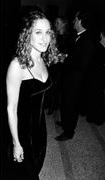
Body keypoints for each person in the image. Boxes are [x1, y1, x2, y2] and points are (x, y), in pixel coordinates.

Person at [5, 10, 59, 179]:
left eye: (48, 32)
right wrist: (16, 144)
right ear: (27, 34)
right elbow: (11, 109)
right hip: (21, 131)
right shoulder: (17, 65)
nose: (45, 38)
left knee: (37, 165)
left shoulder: (44, 58)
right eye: (38, 32)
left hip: (40, 127)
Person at [55, 10, 97, 141]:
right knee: (66, 102)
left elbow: (83, 64)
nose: (73, 21)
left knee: (71, 104)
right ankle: (66, 122)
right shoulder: (76, 36)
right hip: (69, 76)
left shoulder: (88, 40)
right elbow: (72, 53)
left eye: (75, 19)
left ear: (81, 21)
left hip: (76, 80)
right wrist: (65, 55)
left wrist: (65, 60)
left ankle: (69, 131)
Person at [46, 16, 73, 114]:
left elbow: (69, 52)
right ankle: (49, 104)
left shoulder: (69, 37)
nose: (55, 25)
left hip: (62, 66)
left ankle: (52, 107)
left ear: (63, 24)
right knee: (50, 84)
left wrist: (60, 55)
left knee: (56, 86)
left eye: (57, 23)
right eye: (55, 23)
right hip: (53, 64)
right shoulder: (55, 35)